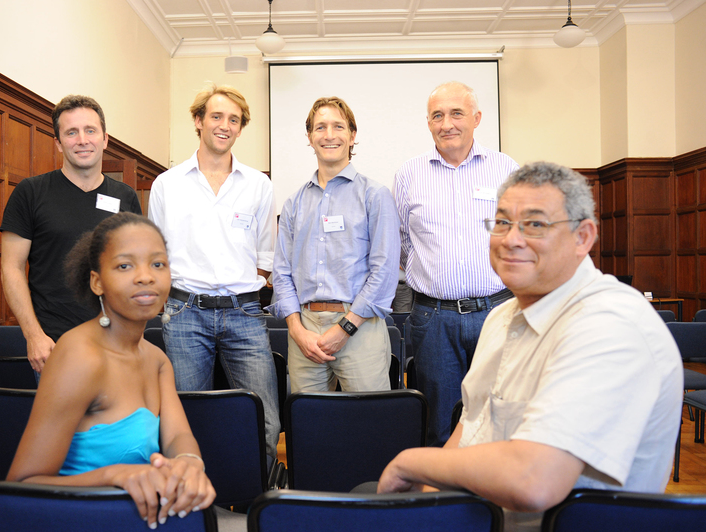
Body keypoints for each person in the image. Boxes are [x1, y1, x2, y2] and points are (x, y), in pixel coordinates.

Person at [378, 162, 683, 532]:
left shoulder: (611, 324)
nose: (511, 239)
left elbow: (534, 481)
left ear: (583, 237)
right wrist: (428, 505)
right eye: (502, 222)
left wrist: (410, 462)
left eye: (535, 224)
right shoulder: (503, 317)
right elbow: (472, 429)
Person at [7, 213, 216, 528]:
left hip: (140, 520)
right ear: (97, 281)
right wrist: (114, 475)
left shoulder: (157, 359)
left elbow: (178, 436)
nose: (146, 276)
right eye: (125, 265)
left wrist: (189, 463)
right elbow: (21, 486)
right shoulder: (79, 356)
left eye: (158, 264)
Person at [148, 84, 280, 459]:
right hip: (185, 313)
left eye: (234, 120)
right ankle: (199, 504)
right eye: (217, 117)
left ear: (241, 128)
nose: (225, 126)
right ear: (198, 121)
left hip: (245, 313)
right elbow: (156, 255)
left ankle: (260, 499)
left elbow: (264, 255)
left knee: (264, 415)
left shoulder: (259, 184)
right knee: (189, 417)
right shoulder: (167, 184)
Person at [393, 81, 519, 445]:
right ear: (428, 123)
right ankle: (445, 498)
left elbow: (518, 232)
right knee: (438, 421)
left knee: (501, 413)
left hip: (498, 311)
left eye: (456, 113)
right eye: (437, 115)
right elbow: (404, 242)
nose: (446, 123)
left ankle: (494, 497)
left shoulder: (505, 167)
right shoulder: (409, 174)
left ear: (476, 118)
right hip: (433, 318)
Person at [0, 95, 142, 375]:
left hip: (116, 343)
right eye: (71, 132)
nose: (82, 140)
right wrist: (33, 336)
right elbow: (11, 268)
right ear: (58, 142)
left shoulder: (125, 197)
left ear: (105, 139)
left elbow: (135, 269)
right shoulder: (31, 192)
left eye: (90, 130)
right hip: (53, 345)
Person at [269, 96, 400, 392]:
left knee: (369, 425)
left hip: (360, 327)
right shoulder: (294, 203)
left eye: (338, 126)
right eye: (320, 127)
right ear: (310, 138)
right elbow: (282, 272)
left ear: (352, 136)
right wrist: (296, 330)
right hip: (304, 332)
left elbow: (385, 270)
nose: (329, 135)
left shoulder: (374, 196)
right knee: (309, 427)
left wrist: (347, 327)